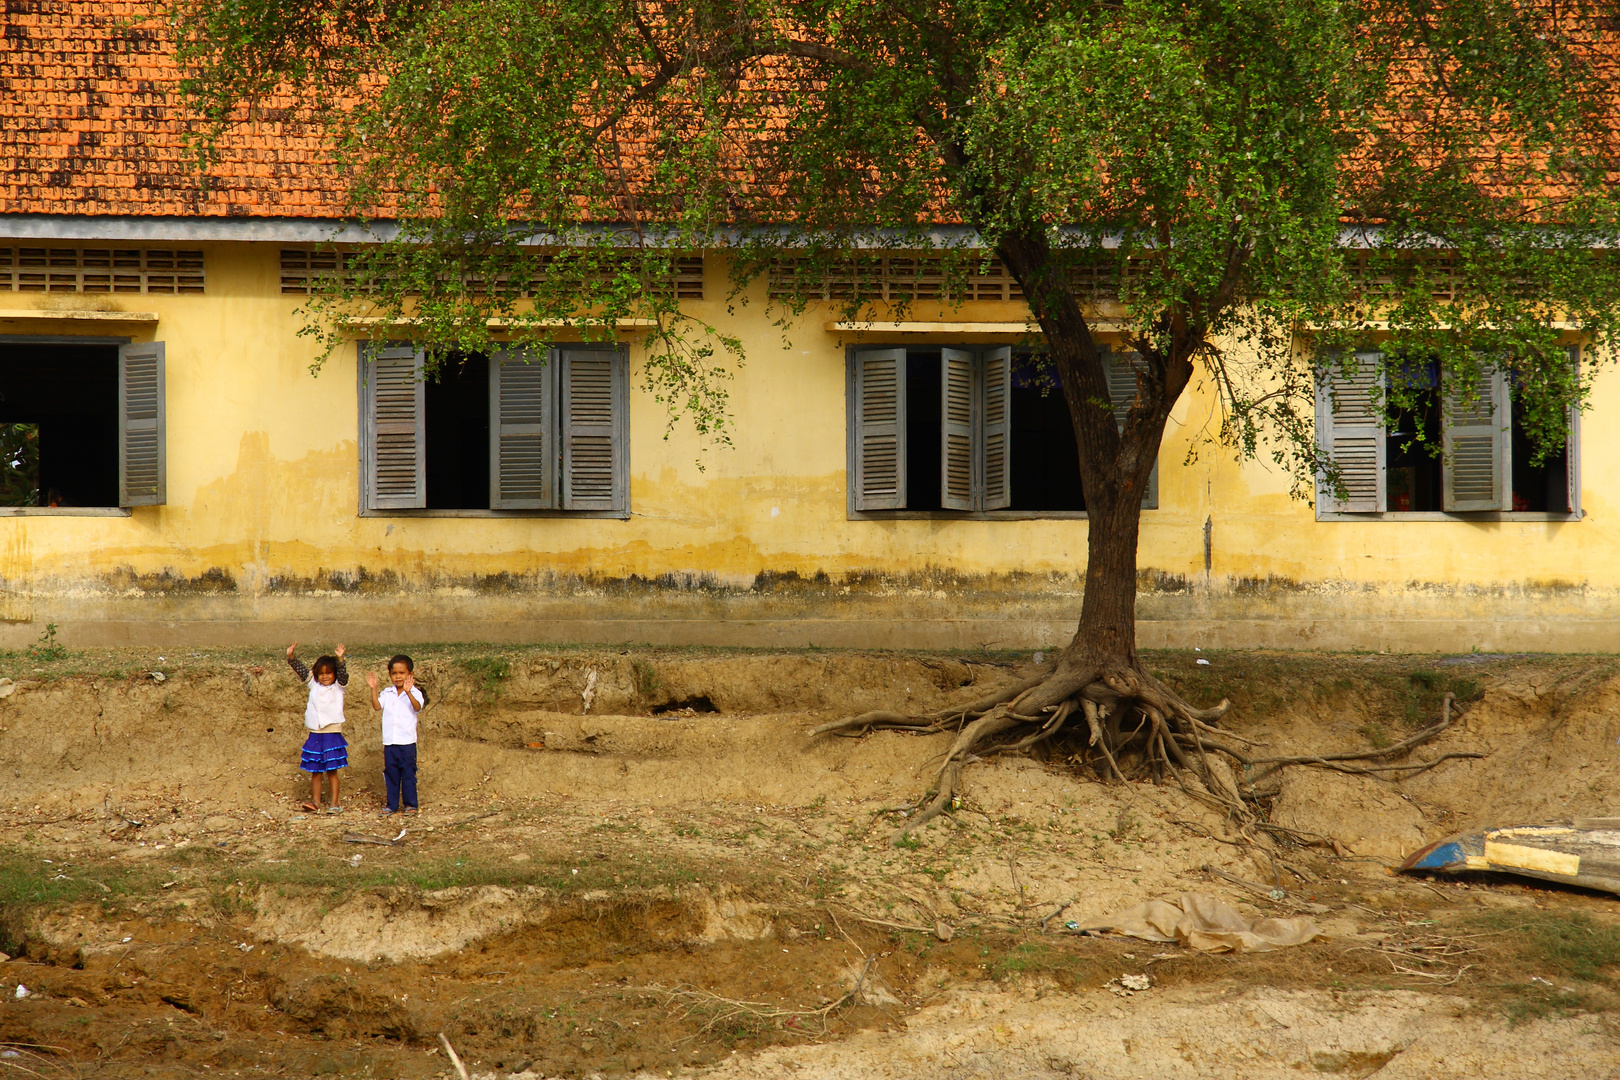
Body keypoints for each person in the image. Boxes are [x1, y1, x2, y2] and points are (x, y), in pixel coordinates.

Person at [287, 641, 348, 813]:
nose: (325, 676)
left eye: (329, 673)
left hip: (331, 733)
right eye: (321, 674)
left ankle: (334, 804)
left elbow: (343, 676)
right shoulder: (314, 684)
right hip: (315, 733)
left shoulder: (339, 687)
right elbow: (302, 671)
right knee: (316, 770)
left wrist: (340, 659)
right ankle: (315, 803)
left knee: (332, 770)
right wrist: (291, 657)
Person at [367, 654, 426, 816]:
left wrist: (408, 693)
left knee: (408, 774)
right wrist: (373, 689)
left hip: (407, 743)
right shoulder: (388, 693)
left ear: (410, 675)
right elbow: (377, 706)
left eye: (402, 673)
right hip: (390, 742)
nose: (398, 676)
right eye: (394, 673)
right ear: (390, 675)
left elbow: (417, 707)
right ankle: (391, 805)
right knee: (391, 774)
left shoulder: (415, 692)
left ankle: (410, 805)